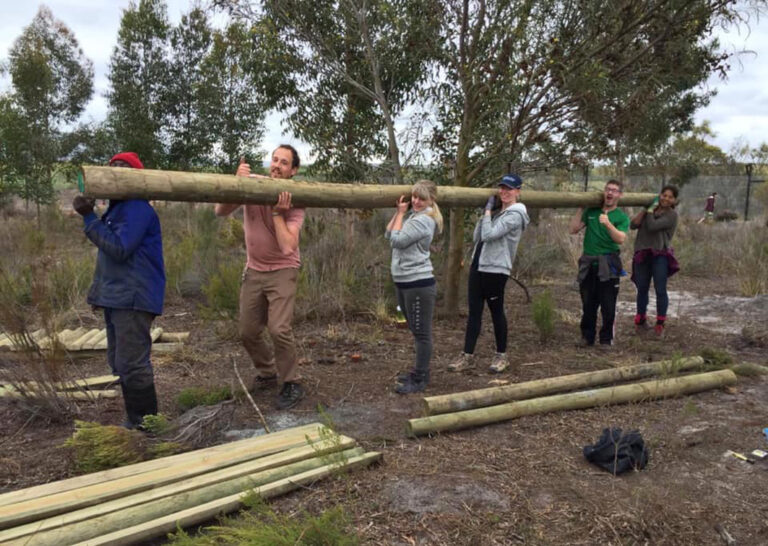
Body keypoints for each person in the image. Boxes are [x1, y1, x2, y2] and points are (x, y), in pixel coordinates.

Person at [72, 152, 165, 429]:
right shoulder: (117, 209)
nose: (115, 173)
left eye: (123, 169)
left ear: (135, 178)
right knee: (119, 361)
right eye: (112, 168)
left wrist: (89, 217)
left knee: (131, 363)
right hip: (120, 297)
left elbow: (119, 249)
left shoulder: (137, 208)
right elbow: (109, 259)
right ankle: (136, 420)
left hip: (134, 297)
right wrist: (99, 294)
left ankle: (147, 425)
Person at [214, 145, 306, 410]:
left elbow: (289, 246)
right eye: (274, 160)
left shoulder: (298, 198)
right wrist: (237, 183)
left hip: (283, 269)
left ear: (293, 171)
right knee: (247, 331)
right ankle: (268, 373)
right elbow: (220, 211)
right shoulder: (252, 185)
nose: (277, 165)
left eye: (284, 162)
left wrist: (278, 213)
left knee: (279, 329)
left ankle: (291, 382)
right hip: (254, 269)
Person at [448, 173, 530, 373]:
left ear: (518, 191)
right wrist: (488, 213)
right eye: (502, 188)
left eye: (509, 189)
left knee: (496, 312)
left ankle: (502, 356)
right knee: (474, 313)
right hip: (478, 265)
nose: (504, 192)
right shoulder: (496, 213)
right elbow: (478, 236)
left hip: (496, 269)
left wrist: (486, 212)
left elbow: (489, 234)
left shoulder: (516, 214)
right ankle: (467, 355)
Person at [386, 180, 442, 394]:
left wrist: (401, 215)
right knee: (414, 329)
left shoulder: (423, 221)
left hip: (418, 283)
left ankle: (420, 377)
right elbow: (388, 233)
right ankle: (418, 370)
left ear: (431, 200)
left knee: (422, 333)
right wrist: (399, 213)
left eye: (422, 198)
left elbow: (396, 241)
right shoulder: (413, 216)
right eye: (414, 197)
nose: (417, 202)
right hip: (404, 281)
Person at [569, 179, 630, 347]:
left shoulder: (621, 217)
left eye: (614, 190)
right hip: (588, 264)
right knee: (588, 303)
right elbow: (573, 229)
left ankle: (605, 339)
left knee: (608, 305)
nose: (610, 193)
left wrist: (608, 224)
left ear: (619, 195)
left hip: (608, 264)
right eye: (608, 189)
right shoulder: (592, 211)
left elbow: (621, 239)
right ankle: (587, 337)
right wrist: (581, 208)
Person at [630, 185, 680, 337]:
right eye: (664, 195)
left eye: (670, 197)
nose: (666, 198)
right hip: (643, 253)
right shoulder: (650, 210)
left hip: (660, 255)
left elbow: (652, 226)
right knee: (642, 288)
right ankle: (640, 321)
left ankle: (660, 324)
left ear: (674, 200)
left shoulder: (672, 215)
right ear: (659, 195)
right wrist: (646, 209)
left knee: (660, 290)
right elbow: (633, 225)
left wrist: (649, 210)